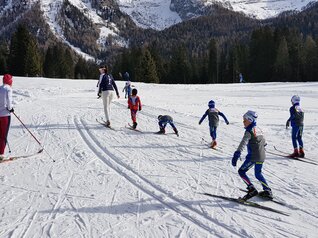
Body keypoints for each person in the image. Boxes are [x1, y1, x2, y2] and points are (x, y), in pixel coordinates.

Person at [231, 110, 272, 201]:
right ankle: (267, 190)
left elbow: (243, 143)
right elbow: (264, 143)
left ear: (250, 120)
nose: (243, 122)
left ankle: (251, 189)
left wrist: (237, 154)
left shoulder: (249, 131)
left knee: (241, 171)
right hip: (262, 155)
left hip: (253, 157)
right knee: (258, 174)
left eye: (245, 120)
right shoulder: (259, 129)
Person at [0, 74, 14, 160]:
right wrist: (11, 109)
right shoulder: (8, 89)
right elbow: (9, 102)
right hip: (5, 115)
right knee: (3, 135)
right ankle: (1, 154)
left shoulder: (0, 88)